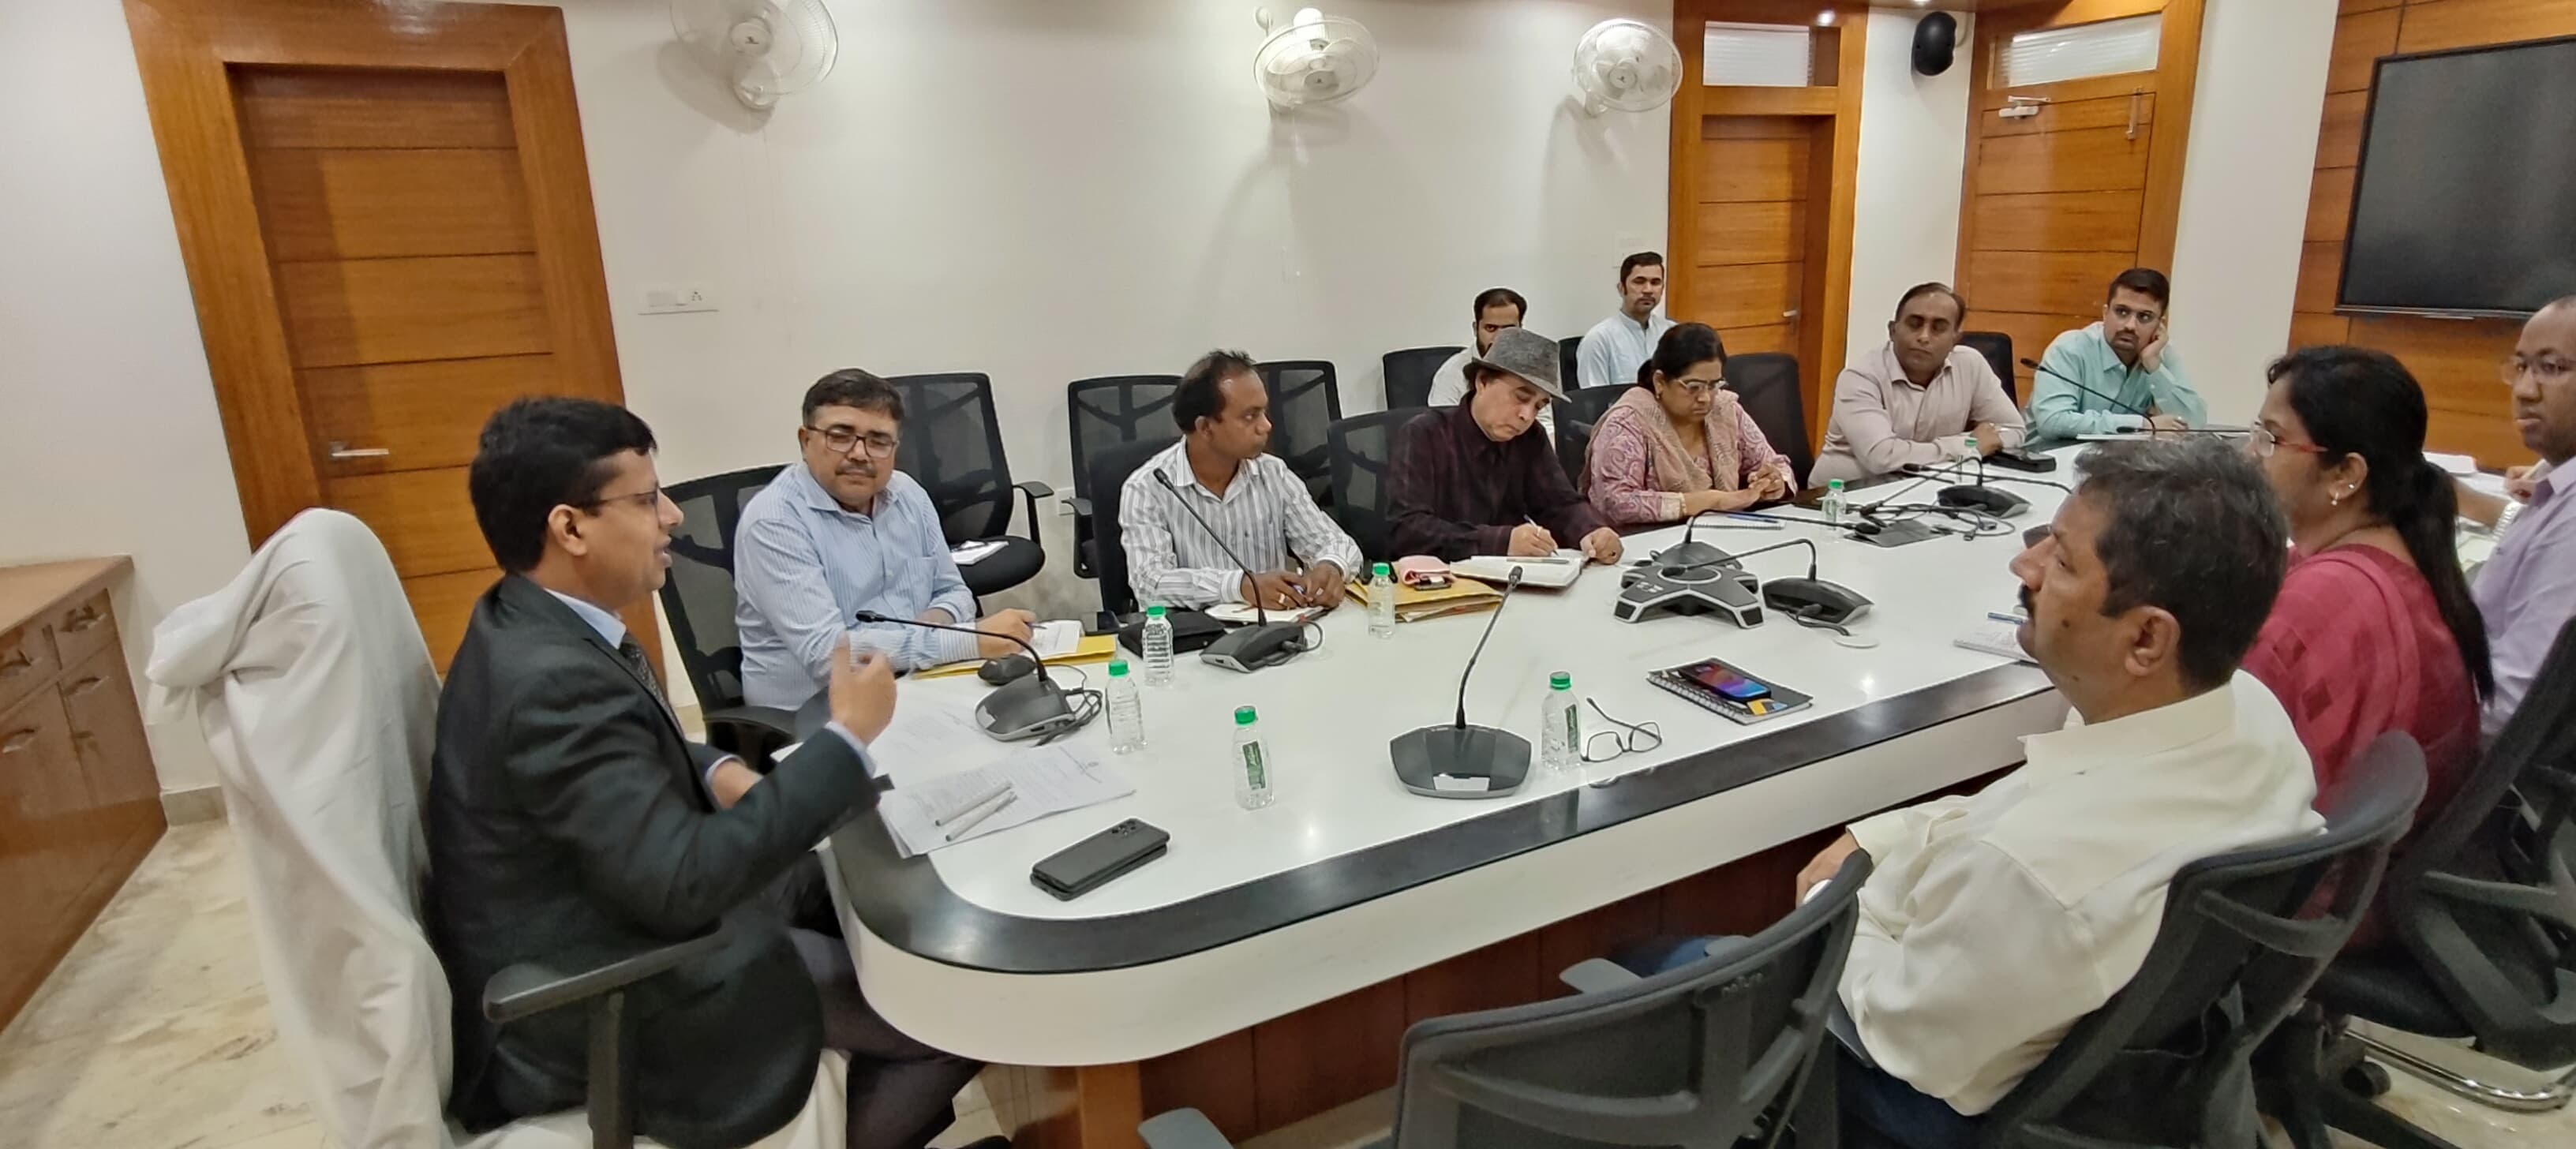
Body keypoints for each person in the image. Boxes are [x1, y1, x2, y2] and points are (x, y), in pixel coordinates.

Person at [426, 397, 1000, 1149]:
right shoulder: (550, 683)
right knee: (959, 1008)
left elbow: (616, 747)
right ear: (570, 528)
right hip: (613, 987)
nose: (673, 517)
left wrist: (718, 764)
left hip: (617, 905)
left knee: (870, 889)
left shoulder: (530, 620)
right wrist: (850, 738)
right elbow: (683, 885)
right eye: (646, 500)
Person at [1792, 436, 2320, 1148]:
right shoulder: (2250, 714)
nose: (2025, 565)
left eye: (2063, 561)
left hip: (1931, 1094)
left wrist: (1831, 903)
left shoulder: (2035, 871)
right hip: (2123, 1080)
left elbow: (1899, 1035)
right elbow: (2027, 799)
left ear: (2146, 640)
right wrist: (1881, 836)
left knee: (1672, 968)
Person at [2237, 347, 2487, 857]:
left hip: (2299, 884)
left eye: (2272, 439)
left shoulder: (2323, 603)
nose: (2250, 454)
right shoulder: (2400, 551)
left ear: (2345, 475)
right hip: (2384, 865)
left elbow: (2225, 768)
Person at [735, 369, 1036, 709]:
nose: (860, 454)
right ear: (806, 441)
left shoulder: (908, 495)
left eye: (878, 441)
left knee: (1031, 713)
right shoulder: (774, 521)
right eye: (840, 436)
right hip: (818, 709)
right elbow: (829, 657)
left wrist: (933, 625)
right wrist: (967, 641)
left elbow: (955, 592)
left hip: (914, 681)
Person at [1120, 350, 1365, 611]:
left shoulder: (1273, 473)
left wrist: (1331, 566)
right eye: (1250, 416)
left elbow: (1337, 543)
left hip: (1276, 626)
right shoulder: (1148, 488)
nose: (1266, 426)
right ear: (1205, 428)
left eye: (1264, 412)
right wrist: (1239, 586)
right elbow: (1149, 583)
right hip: (1197, 631)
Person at [1391, 327, 1624, 563]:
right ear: (1483, 381)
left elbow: (1558, 504)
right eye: (1521, 397)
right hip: (1443, 577)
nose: (1527, 416)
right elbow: (1408, 531)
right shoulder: (1424, 434)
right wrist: (1502, 541)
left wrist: (1592, 530)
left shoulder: (1530, 436)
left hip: (1516, 574)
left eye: (1539, 406)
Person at [2471, 296, 2576, 739]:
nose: (2524, 391)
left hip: (2485, 758)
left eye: (2551, 368)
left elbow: (2514, 703)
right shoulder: (2556, 480)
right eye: (2521, 367)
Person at [1812, 283, 2026, 485]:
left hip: (1928, 488)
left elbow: (2014, 429)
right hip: (1846, 494)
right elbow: (1881, 457)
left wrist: (1966, 447)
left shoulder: (1970, 365)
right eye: (1914, 324)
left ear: (1955, 339)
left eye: (1938, 328)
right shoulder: (1861, 377)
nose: (1924, 337)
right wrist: (1968, 446)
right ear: (1892, 330)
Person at [1585, 322, 1795, 526]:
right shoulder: (1628, 422)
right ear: (1660, 382)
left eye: (1713, 385)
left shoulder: (1725, 410)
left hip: (1726, 533)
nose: (1705, 398)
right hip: (1649, 540)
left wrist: (1774, 483)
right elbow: (1615, 502)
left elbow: (1776, 465)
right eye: (1693, 387)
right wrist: (1703, 503)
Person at [2027, 268, 2208, 440]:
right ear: (2105, 314)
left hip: (2116, 458)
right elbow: (2052, 421)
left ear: (2160, 324)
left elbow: (2193, 425)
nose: (2130, 325)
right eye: (2122, 312)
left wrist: (2154, 369)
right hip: (2049, 456)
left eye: (2145, 317)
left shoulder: (2159, 353)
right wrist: (2143, 425)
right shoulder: (2070, 348)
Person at [1575, 252, 1676, 390]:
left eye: (1655, 283)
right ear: (1621, 288)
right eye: (1639, 282)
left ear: (1662, 289)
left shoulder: (1673, 334)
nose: (1648, 290)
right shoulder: (1598, 339)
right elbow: (1594, 399)